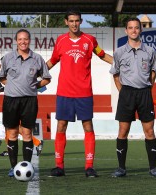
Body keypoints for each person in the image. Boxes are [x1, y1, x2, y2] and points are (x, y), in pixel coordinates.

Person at [46, 9, 113, 177]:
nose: (74, 24)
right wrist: (34, 72)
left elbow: (103, 55)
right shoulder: (61, 41)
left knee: (88, 126)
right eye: (71, 21)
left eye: (77, 21)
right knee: (61, 126)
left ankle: (89, 167)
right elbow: (52, 61)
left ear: (81, 21)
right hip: (64, 92)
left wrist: (122, 63)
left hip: (84, 93)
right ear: (66, 22)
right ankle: (59, 166)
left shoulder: (89, 40)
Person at [110, 18, 156, 178]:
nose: (133, 30)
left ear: (140, 30)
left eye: (136, 28)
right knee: (123, 131)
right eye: (130, 28)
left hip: (144, 93)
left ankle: (153, 168)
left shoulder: (150, 51)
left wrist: (146, 90)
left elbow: (153, 74)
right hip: (126, 94)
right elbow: (116, 75)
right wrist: (124, 92)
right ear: (126, 31)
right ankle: (121, 168)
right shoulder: (119, 52)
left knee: (149, 131)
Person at [0, 29, 51, 177]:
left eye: (26, 39)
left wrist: (35, 85)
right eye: (20, 39)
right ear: (16, 41)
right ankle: (13, 167)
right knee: (12, 133)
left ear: (29, 40)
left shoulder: (37, 59)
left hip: (30, 100)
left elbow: (46, 78)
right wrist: (11, 86)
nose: (23, 42)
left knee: (27, 133)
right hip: (11, 100)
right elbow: (1, 77)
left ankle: (27, 166)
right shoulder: (7, 58)